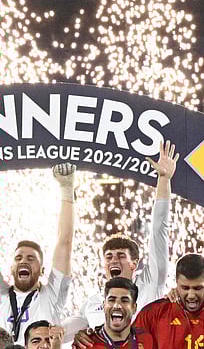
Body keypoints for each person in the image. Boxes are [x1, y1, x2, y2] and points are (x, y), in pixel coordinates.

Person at [66, 141, 177, 334]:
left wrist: (164, 180)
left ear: (135, 263)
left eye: (120, 256)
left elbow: (159, 230)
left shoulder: (150, 285)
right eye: (108, 257)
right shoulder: (92, 303)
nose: (113, 260)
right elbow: (60, 332)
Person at [0, 162, 75, 340]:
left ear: (43, 270)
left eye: (31, 258)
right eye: (18, 258)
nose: (23, 261)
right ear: (11, 268)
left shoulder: (51, 296)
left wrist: (67, 188)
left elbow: (64, 242)